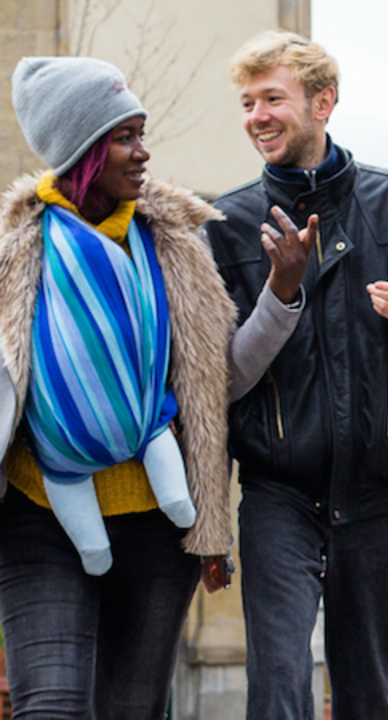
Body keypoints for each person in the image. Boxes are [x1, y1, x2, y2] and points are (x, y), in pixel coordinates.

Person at [204, 32, 388, 720]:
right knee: (277, 685)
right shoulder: (230, 226)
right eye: (247, 103)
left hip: (382, 494)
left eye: (272, 99)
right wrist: (209, 520)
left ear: (323, 102)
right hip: (278, 492)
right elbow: (205, 382)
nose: (257, 116)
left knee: (368, 695)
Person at [0, 56, 236, 718]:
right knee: (50, 705)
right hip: (40, 511)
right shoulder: (16, 252)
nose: (143, 152)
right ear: (85, 151)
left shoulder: (174, 242)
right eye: (125, 137)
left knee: (132, 709)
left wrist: (280, 298)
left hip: (157, 523)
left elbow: (216, 380)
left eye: (141, 134)